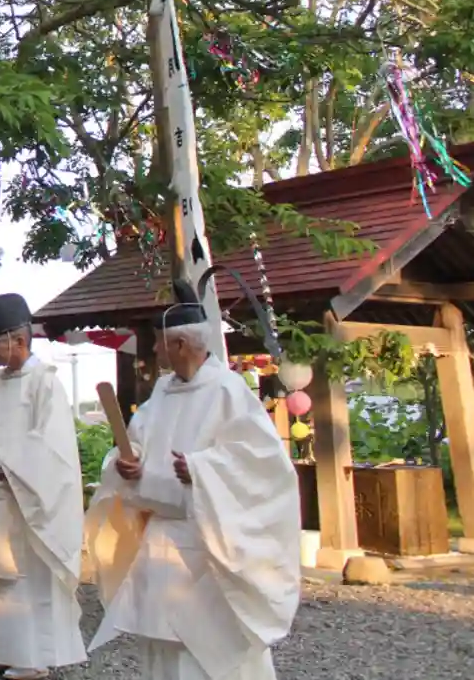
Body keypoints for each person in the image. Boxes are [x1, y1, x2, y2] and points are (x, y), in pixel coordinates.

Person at [86, 281, 301, 680]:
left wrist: (201, 469)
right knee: (162, 643)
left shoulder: (228, 391)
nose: (154, 350)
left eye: (158, 342)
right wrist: (127, 462)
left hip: (209, 541)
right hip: (160, 539)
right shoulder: (162, 393)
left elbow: (263, 464)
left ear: (180, 345)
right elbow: (135, 442)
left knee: (209, 644)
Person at [0, 293, 86, 680]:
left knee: (24, 578)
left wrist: (15, 469)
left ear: (19, 340)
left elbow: (53, 445)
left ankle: (32, 658)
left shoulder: (45, 383)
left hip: (23, 500)